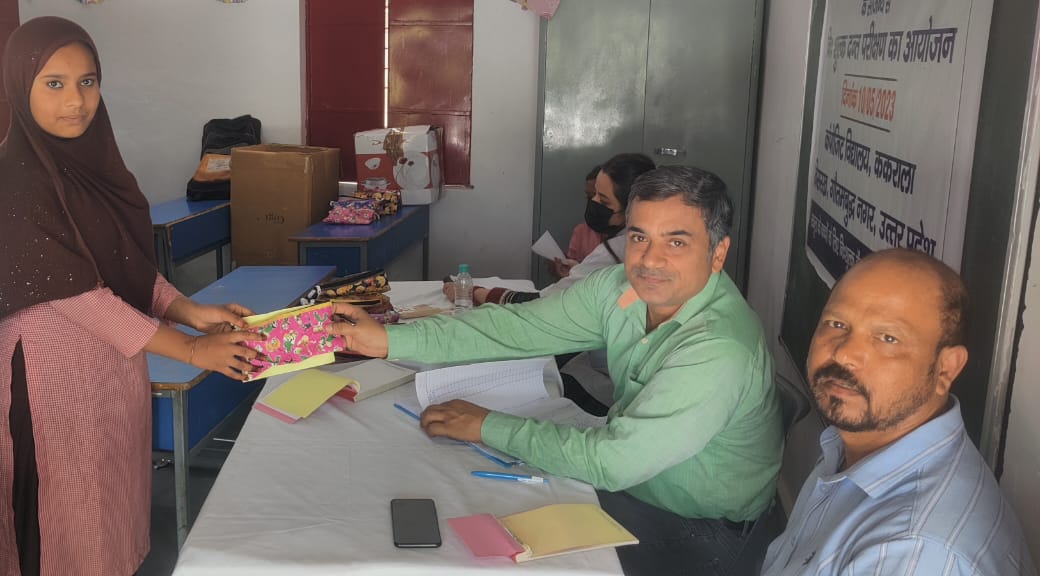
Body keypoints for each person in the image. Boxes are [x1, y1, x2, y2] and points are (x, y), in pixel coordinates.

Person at [334, 165, 782, 575]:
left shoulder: (718, 349)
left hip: (702, 530)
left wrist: (487, 426)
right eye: (639, 237)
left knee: (492, 552)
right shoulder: (623, 290)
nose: (650, 260)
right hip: (639, 484)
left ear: (718, 253)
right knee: (478, 504)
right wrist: (389, 340)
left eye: (676, 242)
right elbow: (517, 328)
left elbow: (613, 463)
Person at [0, 17, 259, 575]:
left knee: (110, 514)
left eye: (87, 82)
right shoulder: (11, 177)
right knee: (61, 529)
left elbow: (125, 266)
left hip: (114, 364)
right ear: (19, 85)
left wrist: (191, 312)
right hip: (49, 378)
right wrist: (191, 349)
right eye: (54, 83)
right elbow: (76, 295)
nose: (75, 101)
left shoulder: (93, 166)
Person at [762, 249, 1036, 575]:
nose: (845, 353)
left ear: (946, 368)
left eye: (888, 338)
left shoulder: (911, 553)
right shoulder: (856, 441)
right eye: (836, 323)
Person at [449, 153, 655, 306]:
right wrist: (578, 271)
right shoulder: (641, 240)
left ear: (631, 208)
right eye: (593, 195)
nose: (594, 202)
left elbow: (544, 303)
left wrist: (475, 293)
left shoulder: (615, 251)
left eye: (603, 200)